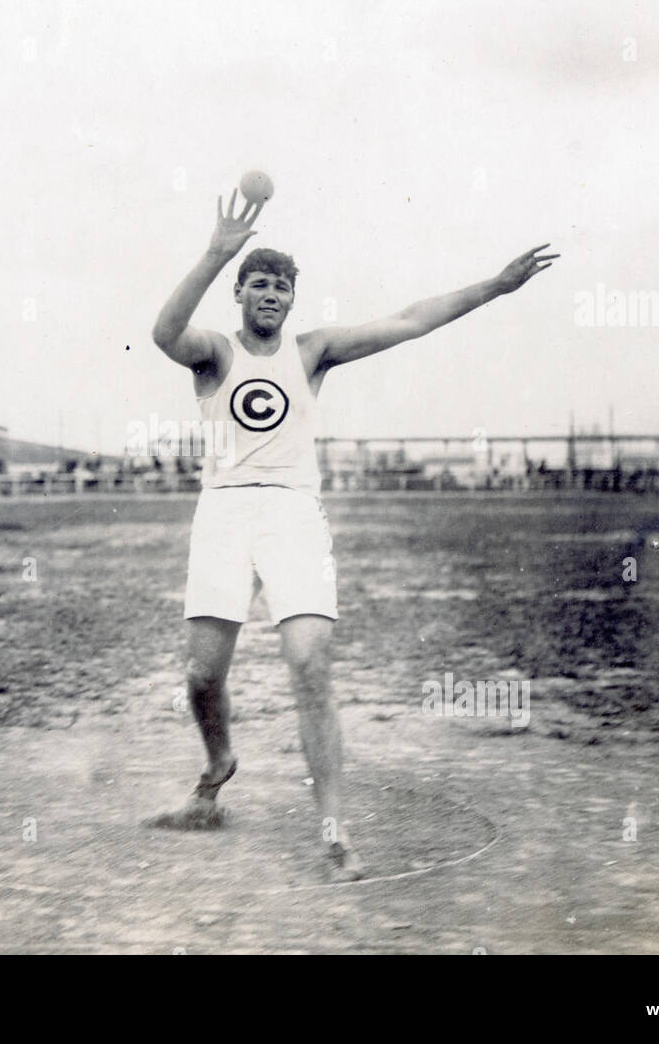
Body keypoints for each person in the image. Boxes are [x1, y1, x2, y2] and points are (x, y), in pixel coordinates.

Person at [146, 188, 558, 880]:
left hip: (293, 515)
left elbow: (408, 320)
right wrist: (216, 253)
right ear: (240, 293)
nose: (271, 294)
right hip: (222, 512)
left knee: (310, 664)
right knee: (202, 676)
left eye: (282, 286)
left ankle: (334, 832)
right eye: (259, 283)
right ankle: (218, 763)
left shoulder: (313, 352)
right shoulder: (214, 352)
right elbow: (163, 334)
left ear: (291, 299)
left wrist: (495, 285)